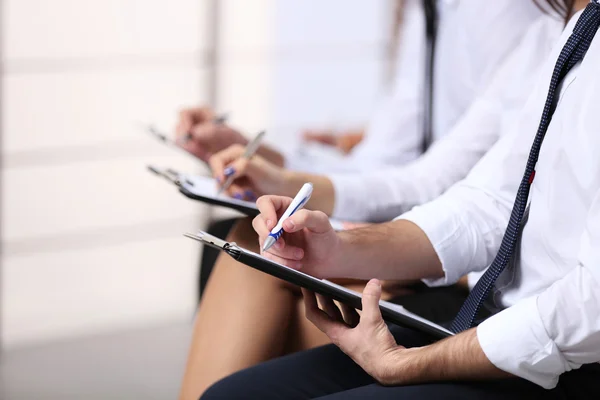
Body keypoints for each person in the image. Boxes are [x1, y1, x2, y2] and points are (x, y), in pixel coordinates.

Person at [201, 1, 600, 398]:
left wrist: (414, 362)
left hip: (559, 351)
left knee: (248, 252)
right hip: (505, 313)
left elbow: (588, 305)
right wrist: (336, 249)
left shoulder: (509, 16)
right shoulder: (570, 26)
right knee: (233, 390)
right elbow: (491, 199)